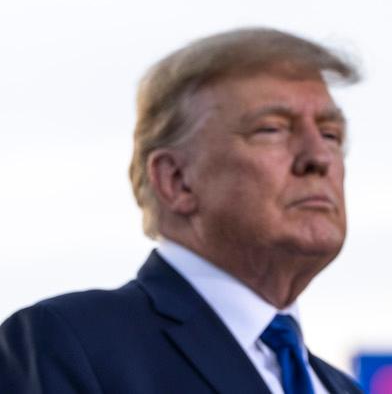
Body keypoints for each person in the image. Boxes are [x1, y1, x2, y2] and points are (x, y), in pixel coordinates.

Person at [0, 28, 363, 394]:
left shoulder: (343, 388)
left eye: (331, 134)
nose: (319, 158)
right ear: (176, 180)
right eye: (271, 129)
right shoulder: (70, 344)